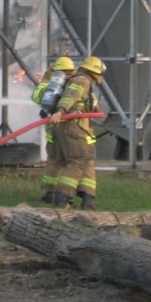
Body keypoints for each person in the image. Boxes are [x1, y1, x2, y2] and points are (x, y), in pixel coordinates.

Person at [48, 55, 106, 210]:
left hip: (73, 127)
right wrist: (61, 111)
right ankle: (61, 199)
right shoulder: (82, 80)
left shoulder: (83, 81)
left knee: (85, 160)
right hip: (73, 127)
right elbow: (70, 96)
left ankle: (87, 200)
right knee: (77, 161)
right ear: (94, 71)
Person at [31, 56, 77, 204]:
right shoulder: (76, 83)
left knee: (54, 161)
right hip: (74, 128)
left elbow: (36, 98)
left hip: (54, 126)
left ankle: (49, 193)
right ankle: (65, 197)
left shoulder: (50, 84)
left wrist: (45, 81)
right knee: (75, 162)